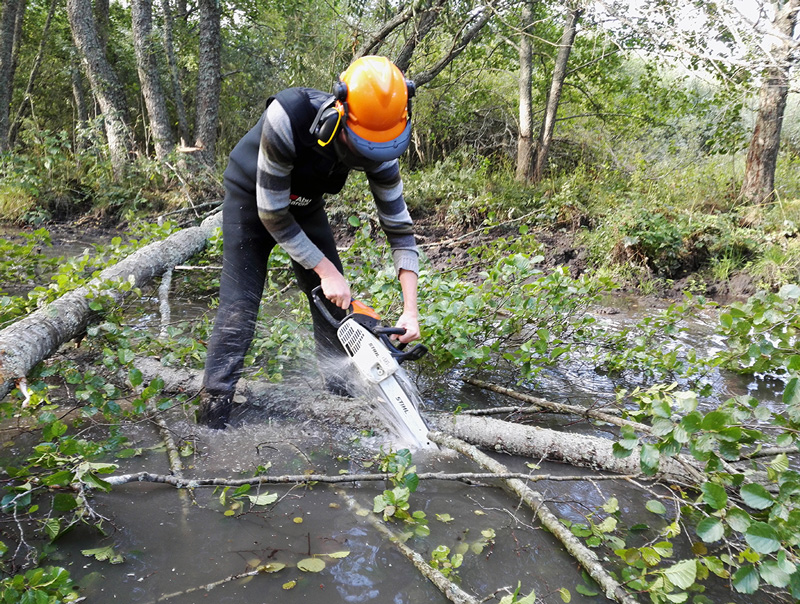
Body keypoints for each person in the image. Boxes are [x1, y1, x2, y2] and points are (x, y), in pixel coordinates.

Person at [198, 56, 421, 429]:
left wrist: (410, 310)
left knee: (334, 313)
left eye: (375, 151)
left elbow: (398, 227)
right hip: (252, 202)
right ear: (340, 112)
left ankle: (338, 409)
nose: (366, 158)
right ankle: (211, 420)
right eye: (360, 147)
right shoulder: (289, 116)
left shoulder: (383, 142)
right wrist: (325, 269)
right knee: (239, 311)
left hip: (303, 204)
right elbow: (271, 213)